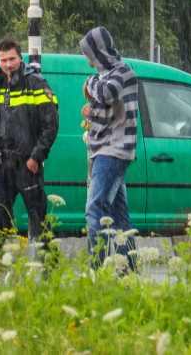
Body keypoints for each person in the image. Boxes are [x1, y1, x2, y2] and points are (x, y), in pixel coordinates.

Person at [0, 38, 59, 241]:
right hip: (0, 164)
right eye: (3, 60)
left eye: (12, 59)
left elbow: (51, 124)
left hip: (27, 164)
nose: (8, 64)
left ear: (21, 58)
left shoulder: (35, 83)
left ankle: (47, 269)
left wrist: (36, 156)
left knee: (38, 221)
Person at [80, 27, 139, 267]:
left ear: (97, 52)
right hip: (107, 148)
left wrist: (89, 81)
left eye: (87, 53)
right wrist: (90, 111)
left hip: (113, 150)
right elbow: (108, 111)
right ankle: (129, 271)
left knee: (95, 210)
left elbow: (106, 93)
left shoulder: (122, 72)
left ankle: (99, 270)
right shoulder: (108, 74)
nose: (86, 58)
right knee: (118, 217)